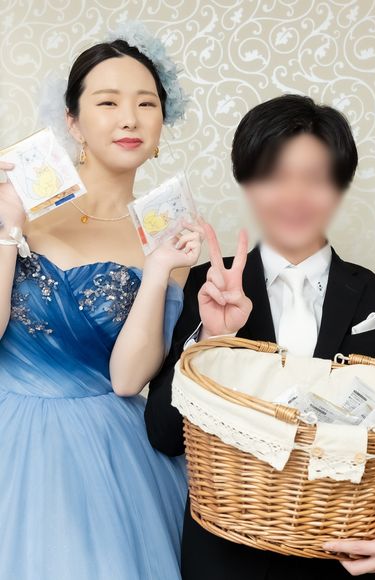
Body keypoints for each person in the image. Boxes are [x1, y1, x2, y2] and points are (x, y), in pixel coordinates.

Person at [146, 94, 375, 580]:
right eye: (274, 176)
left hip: (356, 559)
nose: (294, 196)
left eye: (314, 178)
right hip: (229, 560)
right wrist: (212, 338)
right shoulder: (206, 285)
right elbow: (164, 434)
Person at [0, 24, 203, 580]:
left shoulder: (168, 235)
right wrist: (5, 228)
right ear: (73, 121)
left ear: (162, 123)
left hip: (107, 448)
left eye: (146, 103)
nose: (129, 119)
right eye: (108, 102)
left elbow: (128, 380)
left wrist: (157, 269)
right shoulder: (15, 201)